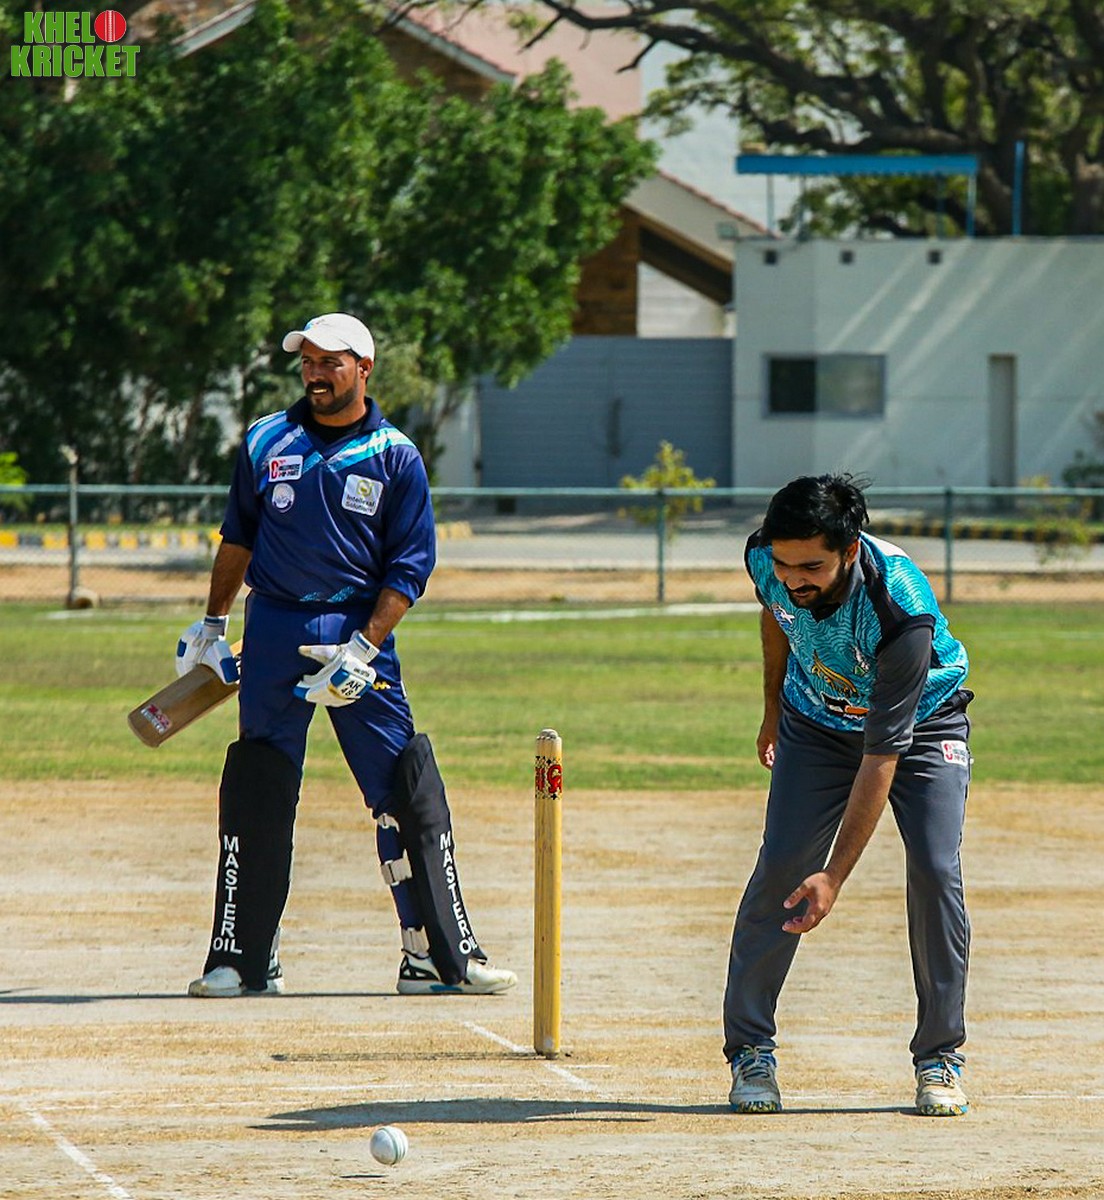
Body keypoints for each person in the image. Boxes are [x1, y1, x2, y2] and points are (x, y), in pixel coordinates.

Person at [178, 312, 516, 999]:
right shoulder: (266, 440)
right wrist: (213, 624)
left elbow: (410, 567)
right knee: (261, 784)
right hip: (274, 625)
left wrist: (364, 647)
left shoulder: (396, 455)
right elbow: (238, 537)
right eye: (307, 361)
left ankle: (436, 955)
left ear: (363, 368)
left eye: (330, 362)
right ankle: (245, 956)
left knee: (402, 786)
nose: (315, 374)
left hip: (359, 631)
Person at [725, 473, 972, 1117]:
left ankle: (939, 1056)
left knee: (935, 868)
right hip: (814, 720)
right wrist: (772, 710)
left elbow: (882, 756)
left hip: (921, 725)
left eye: (811, 566)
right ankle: (751, 1050)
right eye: (784, 564)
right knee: (782, 864)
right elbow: (776, 615)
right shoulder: (767, 560)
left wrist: (833, 876)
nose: (793, 578)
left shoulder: (900, 608)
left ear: (850, 549)